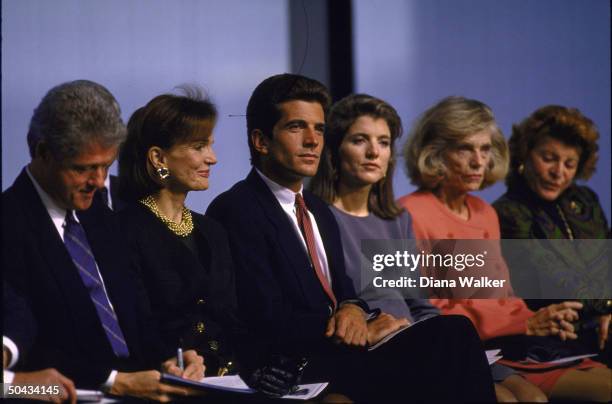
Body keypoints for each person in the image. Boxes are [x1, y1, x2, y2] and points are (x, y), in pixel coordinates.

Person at [207, 74, 496, 402]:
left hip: (350, 353)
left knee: (453, 335)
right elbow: (264, 314)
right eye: (296, 127)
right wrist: (353, 328)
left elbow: (346, 291)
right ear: (261, 141)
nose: (313, 141)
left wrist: (355, 310)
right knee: (451, 340)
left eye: (318, 129)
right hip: (301, 362)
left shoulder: (316, 209)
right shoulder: (237, 208)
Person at [310, 93, 544, 402]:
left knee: (530, 396)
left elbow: (419, 304)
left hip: (418, 337)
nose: (372, 152)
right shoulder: (317, 217)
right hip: (373, 350)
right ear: (336, 150)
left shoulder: (395, 219)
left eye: (383, 142)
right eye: (359, 140)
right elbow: (331, 305)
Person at [398, 96, 611, 401]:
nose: (478, 162)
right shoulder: (407, 212)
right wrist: (524, 322)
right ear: (435, 153)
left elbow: (505, 297)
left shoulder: (485, 212)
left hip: (516, 343)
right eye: (464, 149)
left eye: (485, 149)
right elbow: (420, 315)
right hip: (471, 348)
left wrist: (548, 318)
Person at [2, 80, 204, 402]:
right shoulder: (9, 224)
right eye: (84, 169)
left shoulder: (101, 214)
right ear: (43, 153)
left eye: (106, 166)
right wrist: (113, 380)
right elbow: (28, 345)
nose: (98, 182)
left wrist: (172, 358)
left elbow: (137, 314)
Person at [117, 88, 244, 377]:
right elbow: (138, 326)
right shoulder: (125, 231)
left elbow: (231, 320)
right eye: (199, 147)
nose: (212, 158)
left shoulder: (213, 231)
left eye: (210, 146)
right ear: (159, 159)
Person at [493, 105, 611, 356]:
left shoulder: (586, 200)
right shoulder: (508, 212)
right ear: (525, 155)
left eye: (570, 163)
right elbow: (549, 276)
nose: (559, 173)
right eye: (548, 159)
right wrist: (604, 308)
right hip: (553, 335)